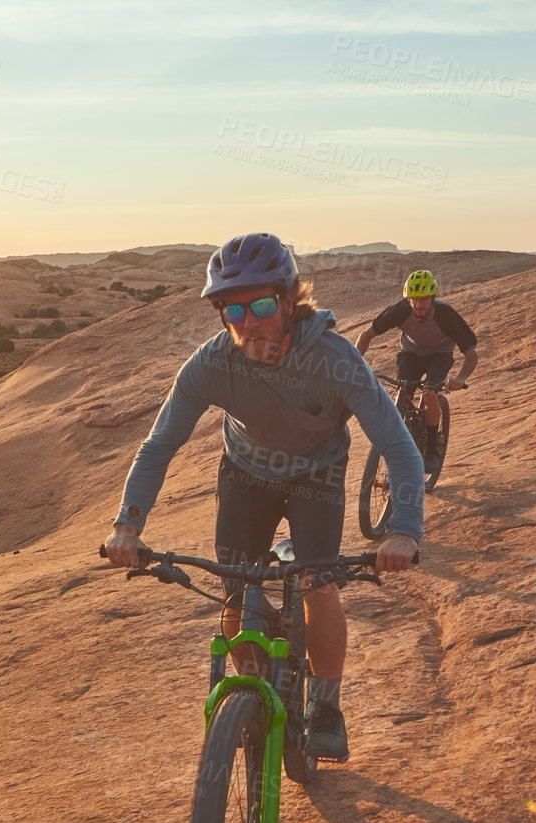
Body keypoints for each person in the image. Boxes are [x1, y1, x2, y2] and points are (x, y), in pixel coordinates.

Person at [103, 232, 424, 763]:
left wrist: (405, 528)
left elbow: (396, 444)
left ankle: (326, 706)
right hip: (246, 471)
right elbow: (159, 445)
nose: (248, 321)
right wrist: (127, 524)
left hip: (316, 474)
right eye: (232, 308)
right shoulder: (211, 364)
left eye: (261, 304)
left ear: (290, 301)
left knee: (318, 583)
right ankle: (253, 697)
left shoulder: (336, 360)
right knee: (235, 591)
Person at [354, 270, 479, 476]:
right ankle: (402, 442)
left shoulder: (446, 315)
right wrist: (355, 364)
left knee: (430, 394)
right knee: (402, 395)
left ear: (433, 298)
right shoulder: (401, 310)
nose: (419, 305)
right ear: (408, 298)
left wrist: (460, 378)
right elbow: (365, 335)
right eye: (414, 300)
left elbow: (472, 354)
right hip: (411, 355)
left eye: (424, 300)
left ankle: (431, 450)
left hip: (440, 355)